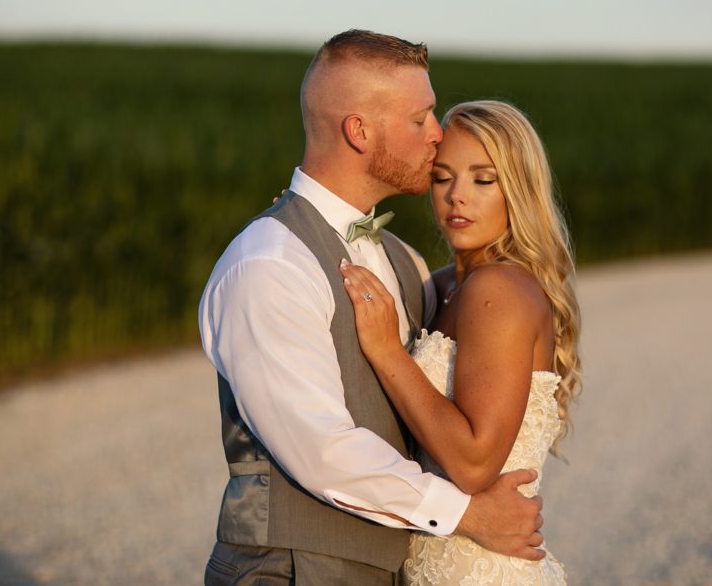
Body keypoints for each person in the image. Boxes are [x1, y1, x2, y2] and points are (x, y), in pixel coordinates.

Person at [198, 31, 546, 585]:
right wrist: (469, 514)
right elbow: (321, 449)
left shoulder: (403, 261)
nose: (437, 135)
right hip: (290, 569)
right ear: (358, 131)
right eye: (420, 118)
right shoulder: (269, 264)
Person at [339, 100, 581, 584]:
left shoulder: (499, 290)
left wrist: (387, 350)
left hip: (483, 570)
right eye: (443, 177)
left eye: (483, 179)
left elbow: (473, 464)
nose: (457, 197)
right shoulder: (446, 284)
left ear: (518, 188)